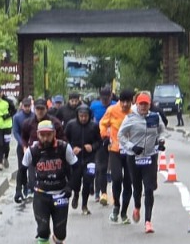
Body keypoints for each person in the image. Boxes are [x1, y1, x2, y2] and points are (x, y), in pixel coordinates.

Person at [22, 119, 78, 244]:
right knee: (42, 230)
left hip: (60, 194)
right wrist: (22, 188)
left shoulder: (63, 148)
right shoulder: (32, 151)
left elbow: (76, 167)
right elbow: (22, 170)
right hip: (41, 195)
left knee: (60, 233)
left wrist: (70, 187)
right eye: (42, 135)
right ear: (38, 135)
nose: (45, 138)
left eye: (48, 135)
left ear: (54, 134)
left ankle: (58, 241)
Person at [118, 91, 168, 232]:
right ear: (137, 104)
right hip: (134, 157)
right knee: (137, 187)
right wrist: (132, 147)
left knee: (149, 188)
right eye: (141, 104)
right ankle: (137, 206)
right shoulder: (130, 118)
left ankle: (148, 222)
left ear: (149, 104)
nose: (144, 107)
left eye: (146, 104)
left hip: (150, 156)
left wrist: (161, 141)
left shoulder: (155, 117)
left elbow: (162, 130)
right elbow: (120, 135)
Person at [98, 89, 134, 221]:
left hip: (130, 151)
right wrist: (105, 136)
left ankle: (124, 212)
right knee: (117, 178)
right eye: (122, 101)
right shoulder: (112, 110)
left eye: (128, 102)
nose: (125, 104)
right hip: (115, 149)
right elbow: (102, 124)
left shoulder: (134, 112)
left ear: (132, 101)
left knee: (128, 182)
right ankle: (116, 206)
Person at [64, 102, 102, 214]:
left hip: (89, 158)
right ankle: (76, 194)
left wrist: (93, 147)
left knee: (88, 180)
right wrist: (71, 148)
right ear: (77, 115)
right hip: (75, 158)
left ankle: (84, 205)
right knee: (75, 181)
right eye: (81, 116)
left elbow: (99, 141)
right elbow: (64, 140)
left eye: (85, 116)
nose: (83, 118)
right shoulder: (71, 125)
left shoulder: (94, 126)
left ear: (89, 116)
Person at [11, 96, 34, 204]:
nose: (27, 108)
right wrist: (23, 145)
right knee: (22, 168)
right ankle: (20, 188)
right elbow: (15, 132)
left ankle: (30, 187)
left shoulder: (34, 117)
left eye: (29, 106)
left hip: (32, 146)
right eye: (25, 106)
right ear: (22, 106)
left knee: (32, 168)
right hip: (22, 147)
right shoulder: (17, 117)